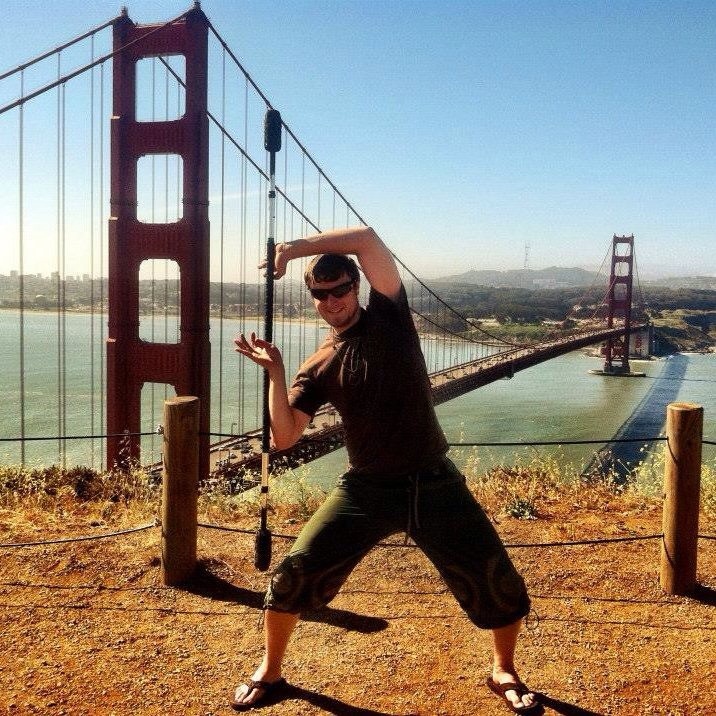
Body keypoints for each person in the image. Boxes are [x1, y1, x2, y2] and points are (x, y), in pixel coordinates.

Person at [232, 226, 540, 714]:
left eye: (341, 289)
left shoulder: (391, 319)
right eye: (320, 293)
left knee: (496, 580)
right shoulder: (317, 365)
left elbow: (369, 240)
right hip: (366, 489)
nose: (332, 300)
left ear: (357, 288)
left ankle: (503, 669)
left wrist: (295, 249)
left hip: (434, 481)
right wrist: (274, 372)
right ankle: (271, 670)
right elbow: (286, 436)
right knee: (292, 576)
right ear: (311, 298)